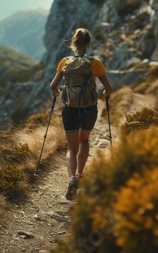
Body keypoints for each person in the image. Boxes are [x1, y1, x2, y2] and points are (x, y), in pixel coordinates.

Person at [50, 27, 112, 200]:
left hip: (69, 109)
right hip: (88, 109)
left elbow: (52, 86)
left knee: (71, 147)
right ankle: (79, 175)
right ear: (88, 43)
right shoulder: (95, 63)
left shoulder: (64, 62)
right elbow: (108, 88)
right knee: (84, 140)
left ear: (74, 43)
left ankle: (71, 179)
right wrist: (106, 95)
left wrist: (58, 95)